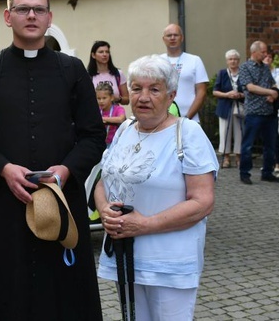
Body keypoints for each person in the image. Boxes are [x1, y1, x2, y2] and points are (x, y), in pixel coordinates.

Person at [0, 0, 106, 320]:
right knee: (8, 292)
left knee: (65, 295)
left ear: (49, 17)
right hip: (7, 204)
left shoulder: (72, 70)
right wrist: (3, 170)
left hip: (61, 199)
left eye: (39, 9)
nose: (32, 16)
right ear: (8, 17)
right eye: (23, 9)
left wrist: (66, 170)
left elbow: (94, 136)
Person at [94, 54, 218, 320]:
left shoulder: (188, 134)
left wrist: (145, 225)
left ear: (171, 95)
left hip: (169, 263)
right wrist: (105, 210)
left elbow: (202, 202)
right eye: (137, 88)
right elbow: (104, 180)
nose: (143, 97)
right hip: (126, 255)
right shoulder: (125, 130)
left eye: (154, 89)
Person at [238, 41, 279, 184]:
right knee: (248, 144)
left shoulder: (266, 68)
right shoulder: (245, 67)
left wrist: (273, 92)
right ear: (254, 52)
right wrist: (270, 92)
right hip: (254, 112)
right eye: (263, 52)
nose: (265, 54)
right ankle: (244, 173)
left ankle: (267, 172)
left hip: (269, 112)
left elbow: (272, 83)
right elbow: (250, 87)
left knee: (270, 144)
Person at [160, 24, 208, 122]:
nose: (172, 38)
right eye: (169, 35)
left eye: (175, 35)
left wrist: (187, 118)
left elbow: (201, 92)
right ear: (163, 39)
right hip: (162, 120)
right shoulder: (158, 61)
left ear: (182, 38)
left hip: (190, 119)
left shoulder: (195, 60)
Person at [213, 49, 244, 169]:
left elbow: (248, 90)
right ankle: (226, 158)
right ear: (227, 61)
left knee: (240, 132)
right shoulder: (222, 73)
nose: (233, 61)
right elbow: (215, 91)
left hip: (240, 107)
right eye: (230, 59)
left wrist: (240, 95)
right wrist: (227, 95)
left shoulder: (244, 73)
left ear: (239, 61)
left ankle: (238, 157)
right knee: (224, 132)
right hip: (225, 107)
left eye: (235, 59)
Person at [88, 40, 129, 104]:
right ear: (93, 55)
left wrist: (118, 99)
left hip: (114, 113)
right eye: (101, 52)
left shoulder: (118, 74)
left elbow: (127, 100)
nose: (105, 54)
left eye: (107, 52)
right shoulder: (88, 76)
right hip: (95, 113)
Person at [96, 82, 126, 146]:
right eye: (99, 98)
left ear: (112, 97)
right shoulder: (96, 109)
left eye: (104, 98)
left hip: (114, 144)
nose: (101, 101)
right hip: (99, 142)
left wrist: (102, 119)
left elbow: (121, 119)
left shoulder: (118, 109)